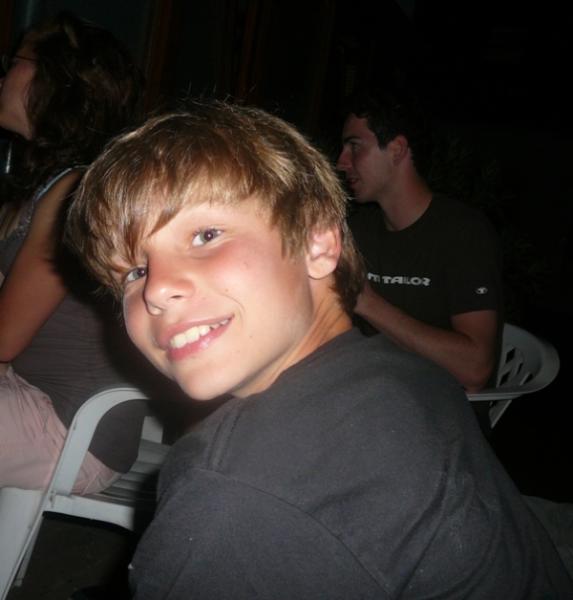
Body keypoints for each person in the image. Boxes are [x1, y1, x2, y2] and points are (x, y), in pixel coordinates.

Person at [66, 100, 572, 598]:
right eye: (134, 272)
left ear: (320, 244)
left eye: (205, 235)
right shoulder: (405, 374)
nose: (156, 290)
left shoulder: (233, 500)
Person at [0, 12, 146, 493]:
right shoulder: (44, 187)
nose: (4, 73)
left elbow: (3, 339)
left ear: (52, 80)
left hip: (72, 430)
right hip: (28, 395)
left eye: (15, 61)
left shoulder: (75, 193)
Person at [337, 89, 502, 395]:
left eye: (354, 146)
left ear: (397, 150)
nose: (341, 162)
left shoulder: (463, 233)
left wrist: (366, 302)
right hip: (369, 393)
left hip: (437, 408)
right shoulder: (358, 229)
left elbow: (475, 370)